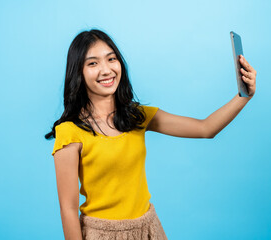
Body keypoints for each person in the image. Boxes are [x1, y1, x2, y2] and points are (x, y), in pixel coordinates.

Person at [45, 29, 257, 240]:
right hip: (101, 234)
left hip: (148, 229)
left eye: (111, 59)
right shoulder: (70, 132)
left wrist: (243, 96)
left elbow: (206, 128)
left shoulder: (137, 117)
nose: (106, 69)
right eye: (93, 63)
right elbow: (68, 210)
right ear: (78, 72)